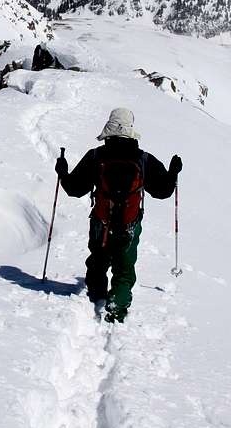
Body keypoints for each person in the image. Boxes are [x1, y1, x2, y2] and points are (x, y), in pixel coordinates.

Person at [55, 108, 182, 323]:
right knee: (124, 267)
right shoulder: (143, 159)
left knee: (97, 259)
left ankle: (95, 296)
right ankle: (117, 308)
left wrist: (63, 172)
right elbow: (163, 192)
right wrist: (172, 173)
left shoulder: (96, 156)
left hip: (100, 221)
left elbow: (74, 189)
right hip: (130, 223)